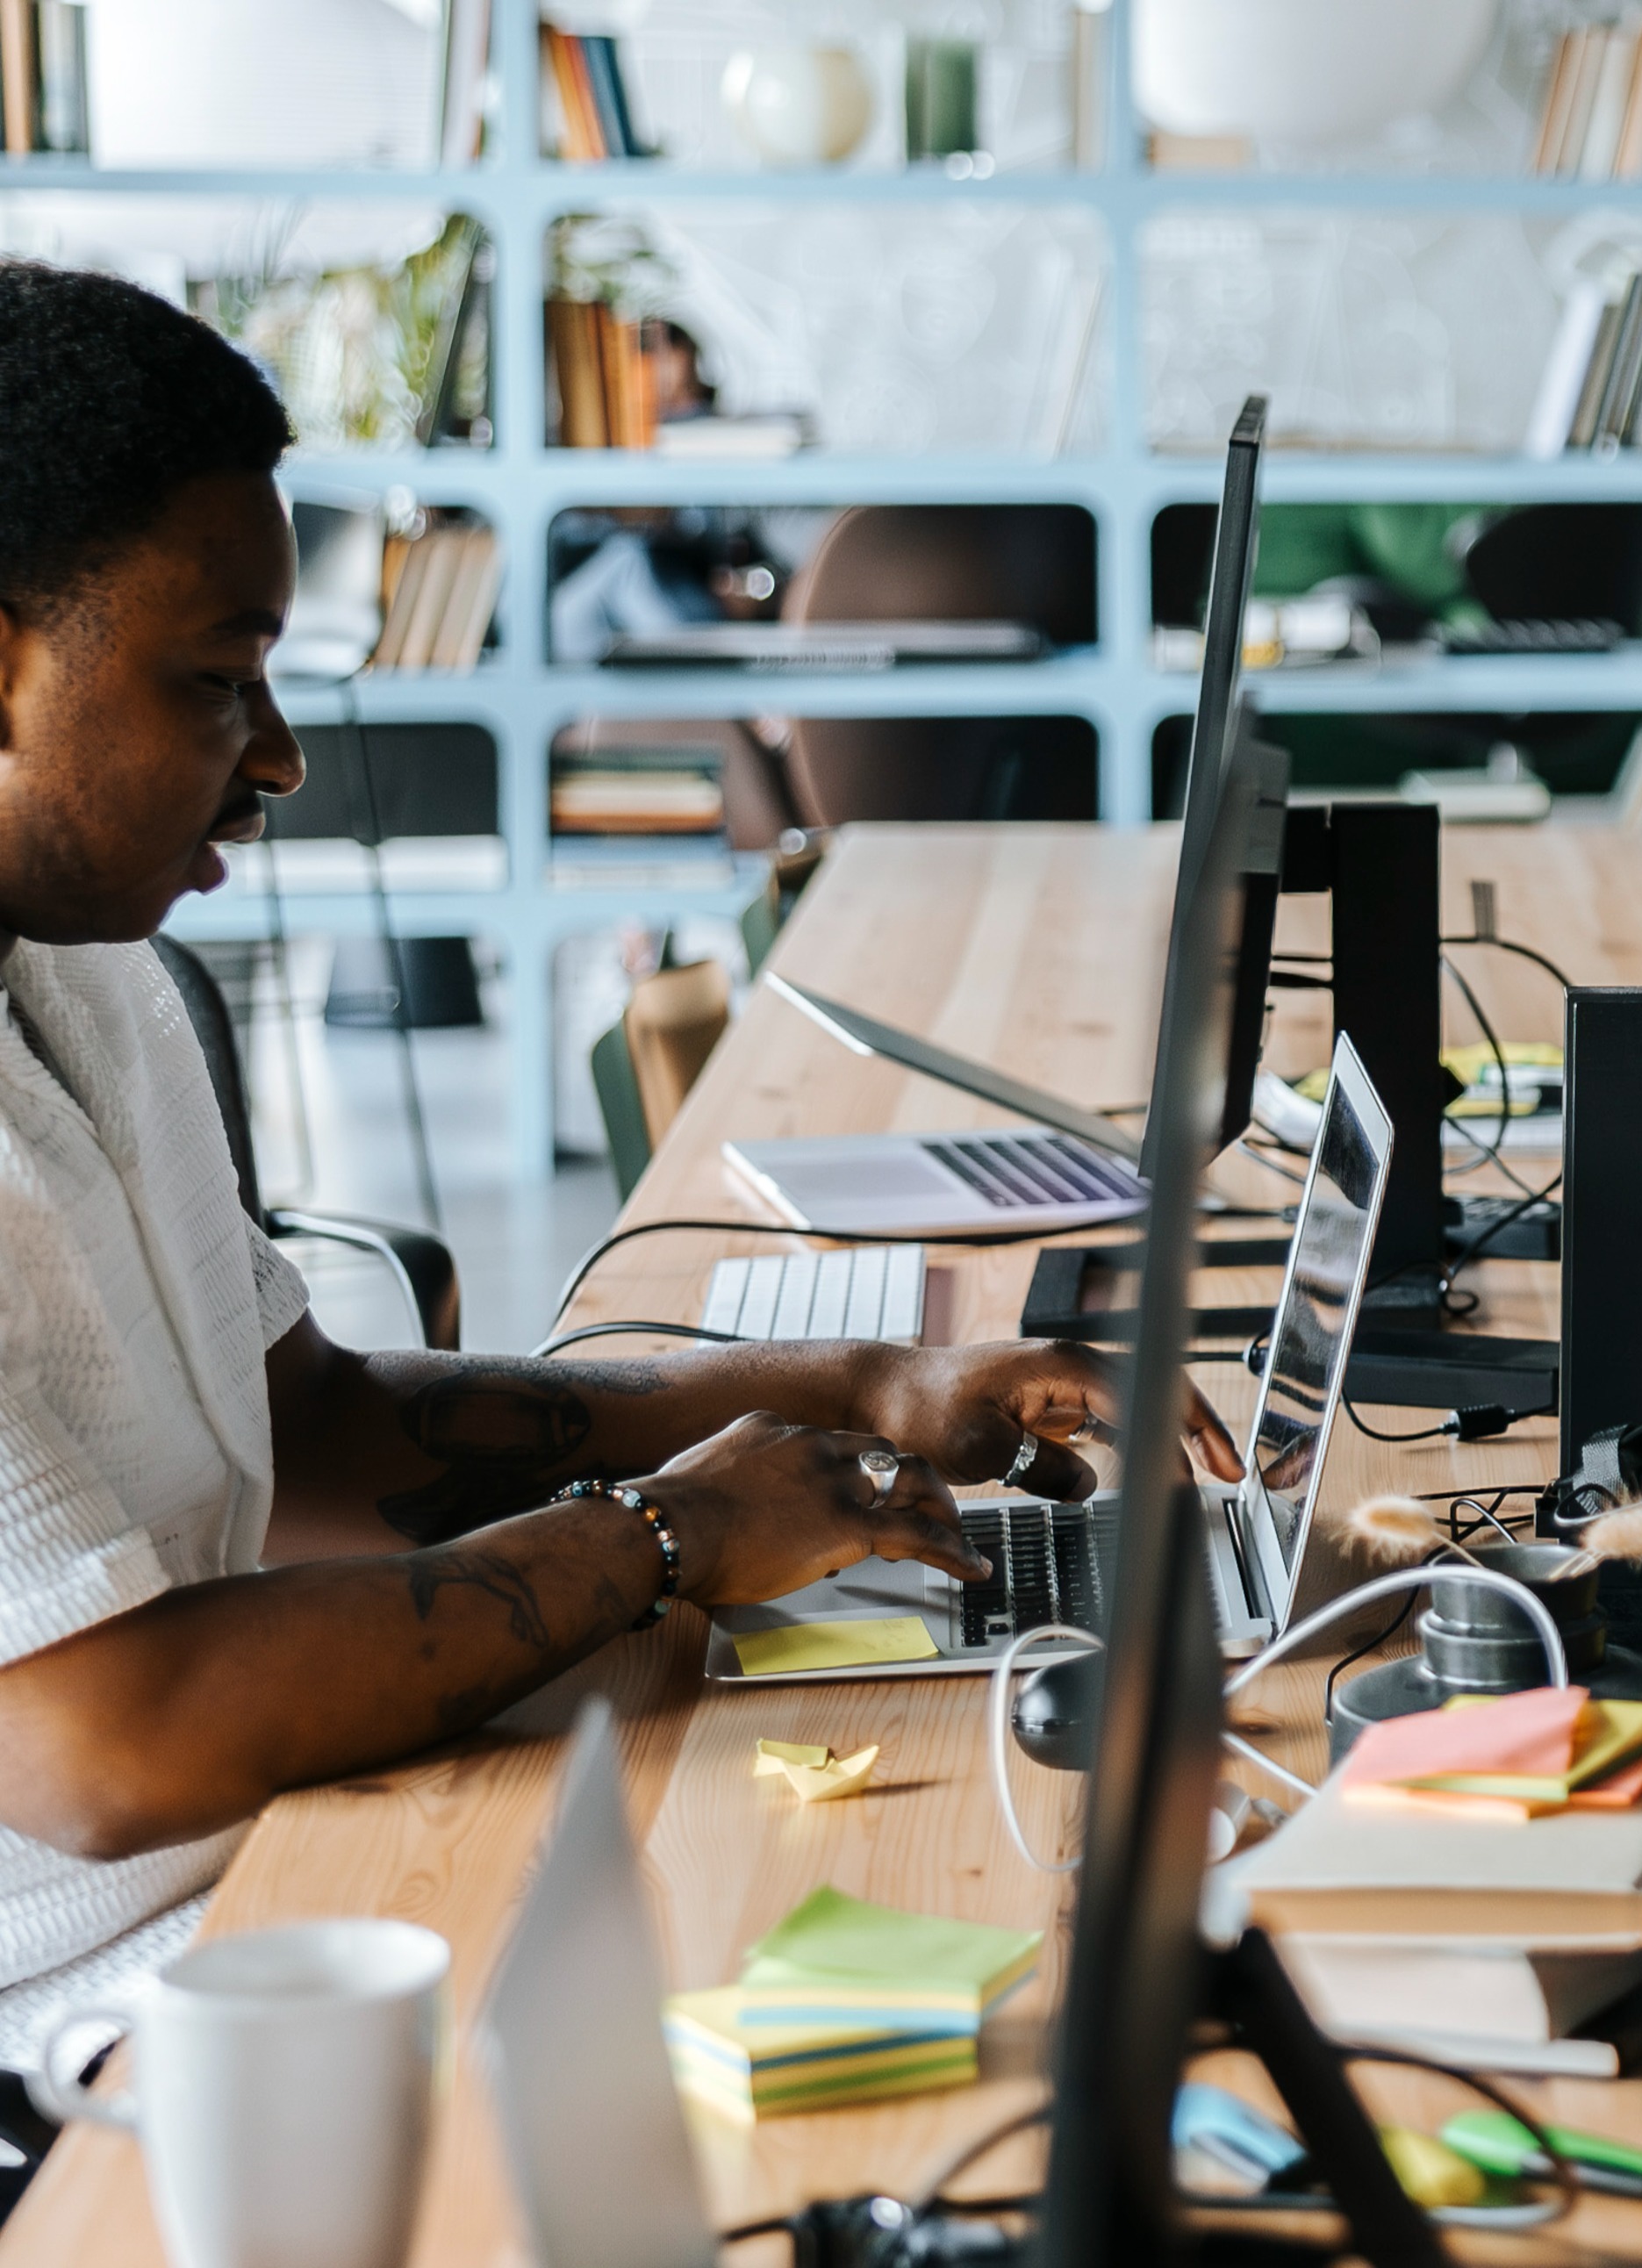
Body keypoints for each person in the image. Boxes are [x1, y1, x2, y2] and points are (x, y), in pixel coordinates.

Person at [0, 264, 1237, 2112]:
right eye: (213, 679)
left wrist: (841, 1396)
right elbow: (103, 1740)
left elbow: (314, 1421)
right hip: (114, 2004)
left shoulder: (83, 965)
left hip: (288, 1859)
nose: (277, 757)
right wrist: (658, 1538)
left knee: (995, 1904)